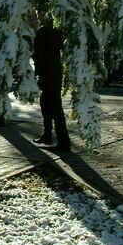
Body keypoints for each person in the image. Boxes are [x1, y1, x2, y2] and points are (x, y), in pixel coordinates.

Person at [32, 14, 71, 151]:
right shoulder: (57, 30)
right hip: (54, 72)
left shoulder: (44, 31)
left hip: (48, 73)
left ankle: (63, 142)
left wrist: (39, 73)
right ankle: (47, 134)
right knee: (47, 103)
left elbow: (39, 55)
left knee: (54, 106)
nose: (38, 15)